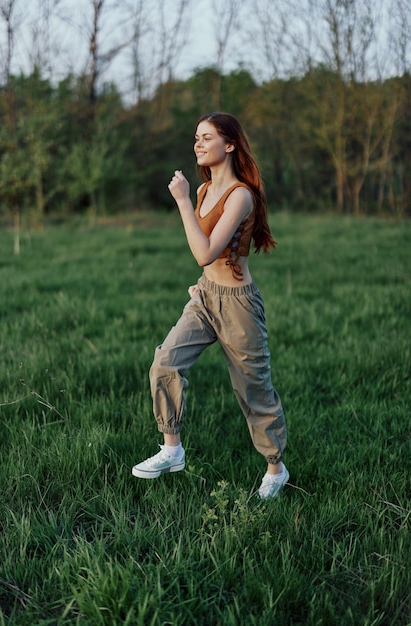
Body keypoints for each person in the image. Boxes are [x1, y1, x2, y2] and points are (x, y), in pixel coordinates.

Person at [132, 112, 288, 499]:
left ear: (230, 145)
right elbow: (205, 263)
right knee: (164, 362)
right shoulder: (204, 192)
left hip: (239, 307)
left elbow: (204, 252)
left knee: (254, 391)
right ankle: (172, 448)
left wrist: (182, 200)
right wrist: (205, 288)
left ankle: (275, 468)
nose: (198, 144)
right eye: (196, 138)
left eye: (207, 137)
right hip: (205, 297)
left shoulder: (240, 196)